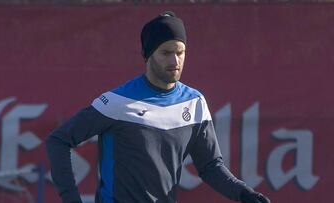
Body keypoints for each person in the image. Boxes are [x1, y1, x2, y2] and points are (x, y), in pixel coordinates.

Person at [46, 11, 271, 203]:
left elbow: (210, 166)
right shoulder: (116, 101)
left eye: (180, 52)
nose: (175, 61)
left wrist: (243, 193)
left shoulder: (194, 103)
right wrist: (71, 198)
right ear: (148, 55)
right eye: (166, 53)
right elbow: (58, 140)